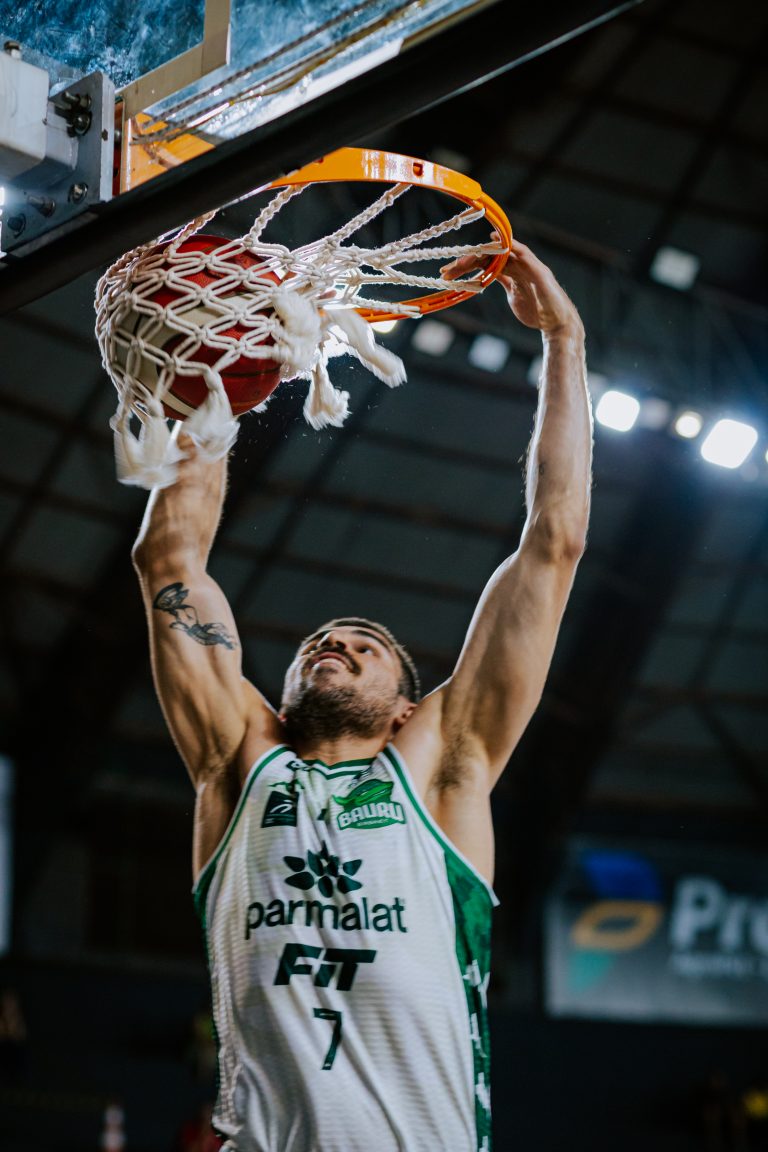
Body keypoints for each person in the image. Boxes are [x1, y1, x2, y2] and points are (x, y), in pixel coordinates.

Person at [132, 238, 593, 1152]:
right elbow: (168, 561)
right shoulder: (238, 760)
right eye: (320, 642)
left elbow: (554, 541)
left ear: (406, 711)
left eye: (367, 645)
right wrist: (215, 389)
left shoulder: (443, 769)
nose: (335, 642)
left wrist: (565, 342)